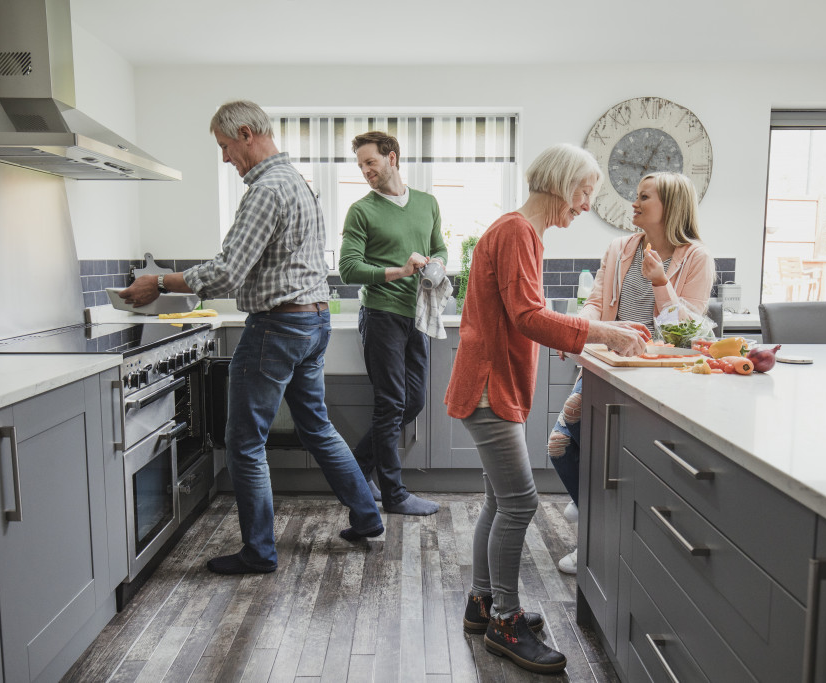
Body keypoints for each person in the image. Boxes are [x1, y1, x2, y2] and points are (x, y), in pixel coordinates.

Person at [119, 100, 384, 575]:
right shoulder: (299, 184)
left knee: (244, 441)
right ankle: (368, 519)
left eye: (224, 146)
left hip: (278, 327)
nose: (224, 158)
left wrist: (158, 282)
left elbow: (226, 271)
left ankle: (259, 551)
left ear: (245, 133)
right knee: (316, 426)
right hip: (312, 321)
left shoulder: (266, 189)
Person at [445, 144, 650, 674]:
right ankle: (506, 622)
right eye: (584, 192)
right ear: (561, 184)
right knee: (519, 504)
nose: (586, 205)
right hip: (490, 387)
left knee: (498, 500)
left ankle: (483, 603)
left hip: (491, 385)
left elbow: (524, 315)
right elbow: (529, 317)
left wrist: (588, 333)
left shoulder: (517, 231)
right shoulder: (516, 232)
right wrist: (602, 330)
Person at [550, 171, 715, 575]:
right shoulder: (620, 248)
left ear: (670, 206)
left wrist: (661, 281)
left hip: (657, 375)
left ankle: (597, 540)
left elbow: (687, 332)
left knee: (623, 463)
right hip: (608, 363)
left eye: (644, 197)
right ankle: (591, 512)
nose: (634, 203)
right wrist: (575, 332)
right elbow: (594, 302)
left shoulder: (696, 258)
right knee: (559, 445)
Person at [338, 131, 447, 516]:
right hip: (381, 314)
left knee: (412, 400)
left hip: (417, 314)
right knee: (390, 405)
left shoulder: (427, 204)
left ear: (392, 158)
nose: (366, 170)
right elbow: (348, 269)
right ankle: (395, 494)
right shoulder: (361, 211)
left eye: (371, 162)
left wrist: (436, 265)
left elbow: (440, 247)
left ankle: (353, 470)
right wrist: (399, 271)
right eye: (361, 165)